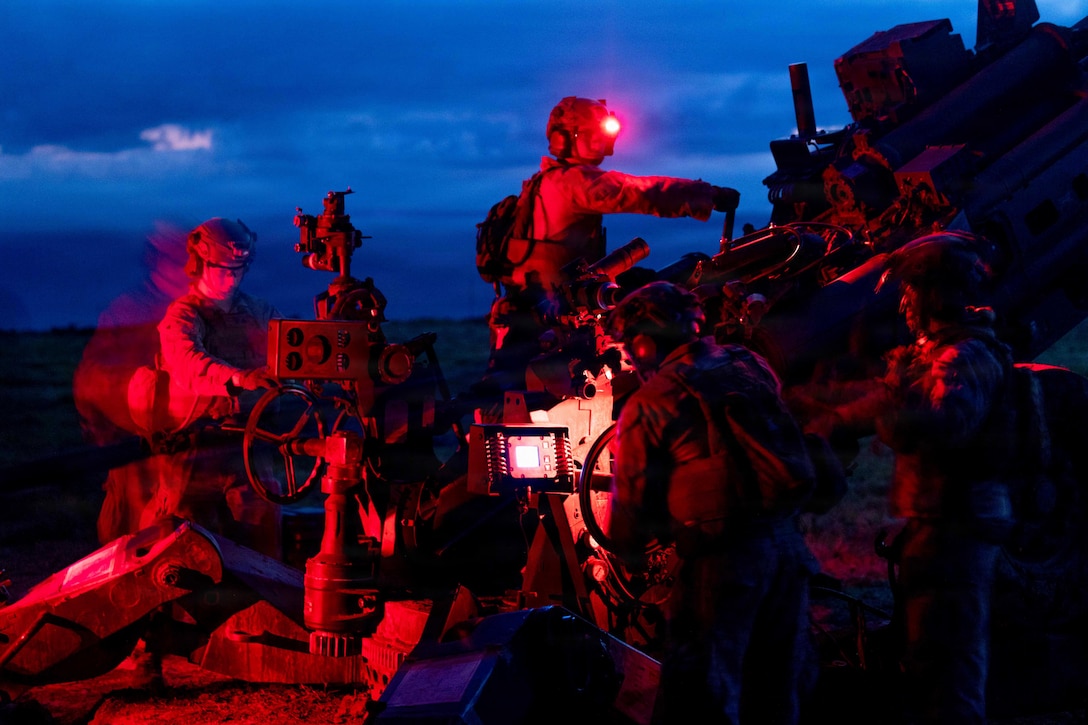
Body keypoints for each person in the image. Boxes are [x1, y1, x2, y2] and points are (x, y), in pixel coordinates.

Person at [807, 230, 1016, 724]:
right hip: (939, 525)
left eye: (912, 291)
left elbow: (942, 425)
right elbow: (887, 399)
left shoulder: (962, 359)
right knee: (928, 658)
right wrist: (830, 413)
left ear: (937, 294)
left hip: (957, 530)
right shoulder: (941, 356)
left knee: (950, 668)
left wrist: (888, 415)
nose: (904, 303)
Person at [605, 281, 818, 724]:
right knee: (775, 692)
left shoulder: (652, 401)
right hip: (786, 552)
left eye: (627, 348)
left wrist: (635, 552)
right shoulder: (750, 364)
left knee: (698, 698)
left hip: (722, 565)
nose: (627, 358)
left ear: (643, 344)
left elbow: (630, 518)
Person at [483, 96, 741, 388]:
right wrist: (705, 195)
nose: (600, 144)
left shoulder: (543, 182)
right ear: (566, 139)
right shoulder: (571, 182)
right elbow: (636, 191)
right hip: (553, 317)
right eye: (592, 136)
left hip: (533, 314)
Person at [135, 217, 282, 559]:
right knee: (186, 550)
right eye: (222, 268)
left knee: (263, 550)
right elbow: (186, 360)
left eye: (239, 268)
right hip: (193, 454)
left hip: (249, 449)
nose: (232, 277)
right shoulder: (183, 315)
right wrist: (238, 377)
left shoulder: (261, 313)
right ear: (200, 263)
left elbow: (291, 351)